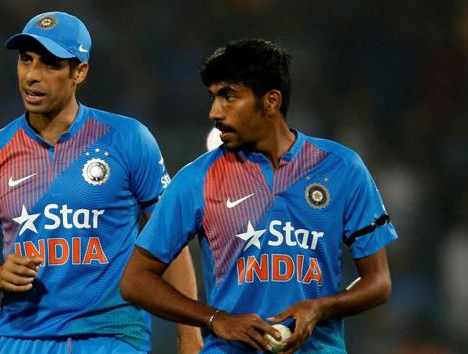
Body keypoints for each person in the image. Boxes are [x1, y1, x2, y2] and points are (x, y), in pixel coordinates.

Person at [0, 11, 202, 354]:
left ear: (79, 72)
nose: (32, 76)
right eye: (25, 60)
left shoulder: (127, 139)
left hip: (113, 338)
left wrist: (190, 339)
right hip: (25, 341)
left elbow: (171, 245)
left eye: (50, 64)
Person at [120, 38, 397, 353]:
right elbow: (135, 280)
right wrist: (215, 318)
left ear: (271, 101)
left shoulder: (341, 167)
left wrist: (319, 308)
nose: (214, 111)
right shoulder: (197, 179)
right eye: (213, 97)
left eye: (229, 97)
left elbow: (378, 282)